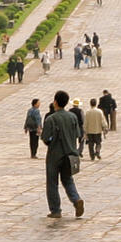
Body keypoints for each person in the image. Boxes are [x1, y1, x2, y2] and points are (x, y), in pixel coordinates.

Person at [41, 90, 84, 218]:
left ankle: (56, 210)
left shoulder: (51, 118)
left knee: (52, 182)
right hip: (70, 154)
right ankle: (76, 200)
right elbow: (77, 134)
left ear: (55, 102)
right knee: (68, 179)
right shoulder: (72, 117)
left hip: (55, 155)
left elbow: (45, 137)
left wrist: (50, 142)